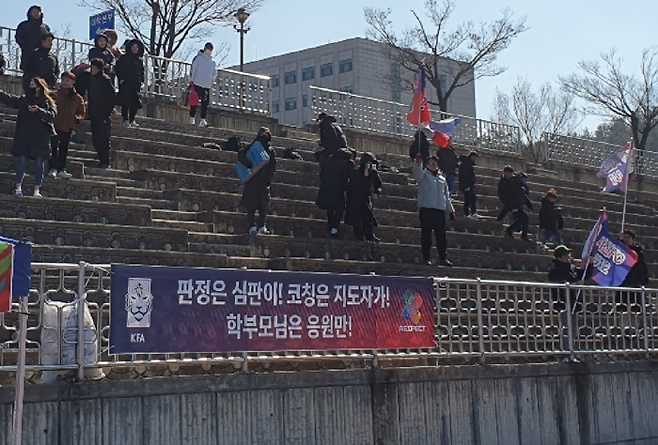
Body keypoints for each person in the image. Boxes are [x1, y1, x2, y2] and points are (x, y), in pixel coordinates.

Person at [0, 77, 56, 197]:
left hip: (41, 136)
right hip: (25, 135)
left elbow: (52, 116)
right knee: (22, 160)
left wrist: (39, 111)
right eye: (30, 83)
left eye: (33, 83)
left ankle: (37, 189)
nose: (31, 85)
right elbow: (10, 100)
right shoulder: (25, 100)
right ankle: (18, 187)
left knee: (39, 162)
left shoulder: (47, 101)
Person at [548, 245, 590, 361]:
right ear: (559, 258)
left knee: (574, 331)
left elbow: (583, 274)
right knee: (566, 330)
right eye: (566, 255)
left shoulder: (571, 268)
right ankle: (565, 354)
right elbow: (564, 282)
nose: (569, 257)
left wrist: (589, 265)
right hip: (563, 304)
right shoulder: (555, 271)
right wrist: (575, 282)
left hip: (573, 303)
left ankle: (571, 353)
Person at [413, 154, 455, 267]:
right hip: (426, 209)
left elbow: (446, 196)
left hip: (439, 210)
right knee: (426, 235)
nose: (433, 165)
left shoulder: (442, 179)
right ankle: (426, 257)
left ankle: (443, 258)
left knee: (441, 236)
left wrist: (451, 210)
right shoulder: (424, 175)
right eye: (430, 163)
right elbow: (417, 175)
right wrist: (417, 163)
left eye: (435, 163)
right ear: (426, 165)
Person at [238, 127, 277, 234]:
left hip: (264, 182)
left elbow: (273, 166)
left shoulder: (270, 150)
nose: (264, 136)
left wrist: (269, 178)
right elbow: (241, 154)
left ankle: (262, 225)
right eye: (262, 134)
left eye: (266, 134)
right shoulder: (253, 146)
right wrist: (248, 164)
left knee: (263, 205)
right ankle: (252, 225)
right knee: (251, 204)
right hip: (252, 180)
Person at [49, 71, 85, 179]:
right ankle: (52, 168)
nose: (64, 82)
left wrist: (76, 119)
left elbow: (81, 111)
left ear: (73, 82)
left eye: (67, 80)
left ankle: (62, 169)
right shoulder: (54, 94)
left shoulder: (77, 98)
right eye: (63, 80)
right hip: (55, 125)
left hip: (68, 126)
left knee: (64, 148)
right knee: (53, 147)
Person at [315, 147, 355, 236]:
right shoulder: (347, 164)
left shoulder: (330, 160)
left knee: (330, 208)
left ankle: (331, 227)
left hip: (326, 187)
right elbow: (345, 178)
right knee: (340, 208)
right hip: (338, 189)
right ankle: (334, 226)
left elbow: (322, 173)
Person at [345, 152, 382, 241]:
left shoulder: (373, 173)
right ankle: (359, 235)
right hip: (355, 197)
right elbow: (353, 185)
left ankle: (370, 235)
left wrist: (377, 192)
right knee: (356, 218)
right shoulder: (356, 172)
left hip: (365, 198)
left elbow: (378, 185)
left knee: (368, 217)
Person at [88, 58, 116, 169]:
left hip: (103, 115)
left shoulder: (105, 80)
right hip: (94, 113)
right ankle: (101, 159)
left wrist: (107, 111)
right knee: (95, 138)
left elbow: (112, 96)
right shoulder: (92, 80)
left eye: (95, 68)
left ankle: (105, 161)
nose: (92, 70)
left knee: (103, 139)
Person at [16, 5, 52, 91]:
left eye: (38, 12)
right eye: (34, 12)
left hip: (43, 59)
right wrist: (27, 48)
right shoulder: (24, 26)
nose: (36, 14)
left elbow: (48, 39)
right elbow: (19, 38)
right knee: (29, 83)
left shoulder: (45, 27)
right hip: (29, 58)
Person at [497, 166, 533, 241]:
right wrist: (506, 201)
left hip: (517, 204)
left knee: (521, 219)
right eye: (508, 173)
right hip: (512, 204)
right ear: (505, 173)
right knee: (524, 218)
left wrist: (529, 204)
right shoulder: (504, 182)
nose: (510, 174)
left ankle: (510, 230)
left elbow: (522, 194)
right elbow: (501, 194)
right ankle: (523, 236)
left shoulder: (515, 181)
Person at [115, 39, 144, 127]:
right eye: (133, 47)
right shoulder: (124, 58)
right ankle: (125, 119)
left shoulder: (139, 60)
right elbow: (118, 69)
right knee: (125, 102)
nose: (135, 49)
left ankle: (132, 119)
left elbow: (142, 72)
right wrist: (122, 79)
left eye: (137, 47)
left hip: (136, 83)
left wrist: (141, 81)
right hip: (126, 83)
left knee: (135, 102)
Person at [189, 42, 216, 127]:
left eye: (210, 49)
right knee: (194, 101)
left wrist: (211, 81)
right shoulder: (198, 58)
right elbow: (193, 69)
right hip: (197, 83)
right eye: (208, 48)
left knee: (205, 103)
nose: (209, 50)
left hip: (207, 85)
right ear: (204, 48)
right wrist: (192, 80)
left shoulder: (212, 62)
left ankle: (203, 120)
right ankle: (192, 118)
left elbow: (214, 73)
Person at [458, 150, 480, 219]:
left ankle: (467, 213)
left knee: (468, 199)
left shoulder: (467, 164)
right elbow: (464, 176)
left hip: (468, 185)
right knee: (471, 199)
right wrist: (466, 185)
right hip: (467, 185)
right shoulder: (466, 165)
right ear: (472, 157)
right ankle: (472, 213)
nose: (475, 160)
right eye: (475, 158)